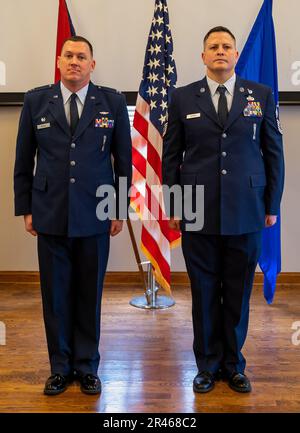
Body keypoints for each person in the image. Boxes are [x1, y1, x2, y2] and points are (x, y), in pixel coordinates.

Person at [162, 26, 284, 393]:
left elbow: (273, 153)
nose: (220, 51)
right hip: (197, 212)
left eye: (226, 46)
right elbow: (171, 157)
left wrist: (272, 204)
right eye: (213, 46)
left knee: (237, 291)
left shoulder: (260, 95)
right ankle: (206, 365)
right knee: (202, 292)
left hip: (247, 210)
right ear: (203, 56)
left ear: (235, 55)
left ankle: (233, 365)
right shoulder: (182, 98)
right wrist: (174, 205)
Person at [14, 36, 132, 395]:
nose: (75, 62)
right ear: (59, 61)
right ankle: (60, 367)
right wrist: (26, 208)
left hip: (96, 214)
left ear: (92, 64)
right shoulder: (36, 101)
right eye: (69, 56)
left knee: (88, 294)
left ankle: (87, 365)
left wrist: (118, 208)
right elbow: (23, 161)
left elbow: (123, 161)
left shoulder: (111, 101)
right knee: (55, 294)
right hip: (50, 213)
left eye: (82, 57)